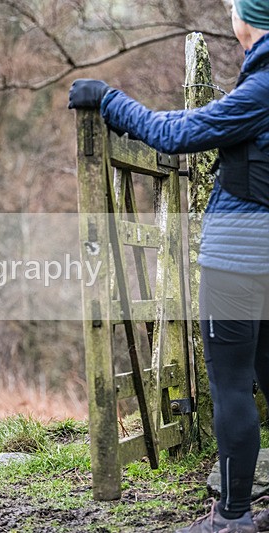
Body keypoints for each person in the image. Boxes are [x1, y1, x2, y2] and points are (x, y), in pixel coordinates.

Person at [69, 1, 269, 530]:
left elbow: (178, 135)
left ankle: (231, 516)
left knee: (230, 385)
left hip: (239, 259)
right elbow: (203, 122)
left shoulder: (264, 86)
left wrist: (108, 100)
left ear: (248, 20)